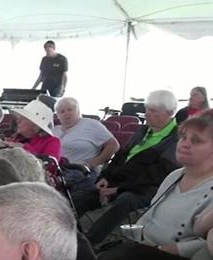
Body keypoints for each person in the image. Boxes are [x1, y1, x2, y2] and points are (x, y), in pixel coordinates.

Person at [93, 115, 213, 260]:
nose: (184, 143)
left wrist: (174, 249)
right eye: (183, 137)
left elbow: (207, 243)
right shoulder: (174, 176)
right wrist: (139, 235)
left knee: (135, 259)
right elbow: (149, 216)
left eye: (196, 140)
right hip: (146, 251)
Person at [71, 89, 181, 244]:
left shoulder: (176, 138)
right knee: (78, 198)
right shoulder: (143, 130)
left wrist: (118, 189)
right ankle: (65, 236)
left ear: (170, 113)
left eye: (153, 111)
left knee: (125, 201)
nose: (147, 113)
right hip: (119, 182)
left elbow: (156, 175)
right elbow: (120, 156)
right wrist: (105, 177)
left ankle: (89, 243)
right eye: (147, 109)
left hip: (144, 188)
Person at [52, 97, 120, 172]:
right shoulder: (55, 130)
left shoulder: (91, 125)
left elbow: (114, 145)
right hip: (56, 170)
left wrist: (93, 163)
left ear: (78, 111)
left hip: (80, 171)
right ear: (58, 116)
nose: (66, 113)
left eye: (70, 110)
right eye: (62, 111)